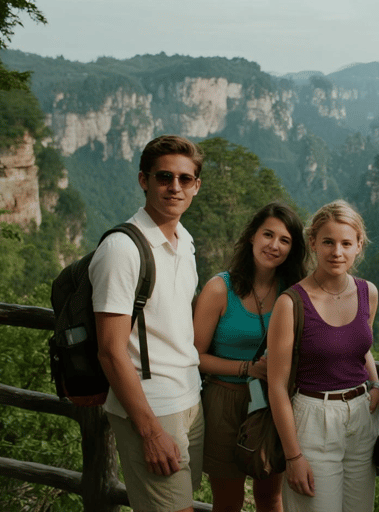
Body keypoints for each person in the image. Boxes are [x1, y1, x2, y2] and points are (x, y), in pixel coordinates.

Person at [90, 135, 205, 512]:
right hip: (153, 408)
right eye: (164, 177)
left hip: (189, 398)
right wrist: (151, 431)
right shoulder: (122, 249)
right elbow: (110, 350)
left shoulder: (184, 242)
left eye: (185, 179)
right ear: (144, 180)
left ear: (196, 186)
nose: (175, 187)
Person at [266, 200, 379, 512]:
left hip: (361, 416)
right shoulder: (291, 304)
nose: (337, 252)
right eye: (328, 242)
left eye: (346, 243)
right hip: (314, 418)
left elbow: (362, 347)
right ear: (313, 242)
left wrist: (376, 385)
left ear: (359, 245)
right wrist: (293, 456)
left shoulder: (366, 292)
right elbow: (276, 385)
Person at [193, 202, 307, 512]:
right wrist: (247, 368)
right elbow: (194, 356)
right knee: (228, 500)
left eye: (284, 240)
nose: (274, 245)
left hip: (274, 403)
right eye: (268, 235)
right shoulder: (220, 289)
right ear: (251, 237)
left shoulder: (295, 292)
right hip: (225, 400)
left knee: (271, 498)